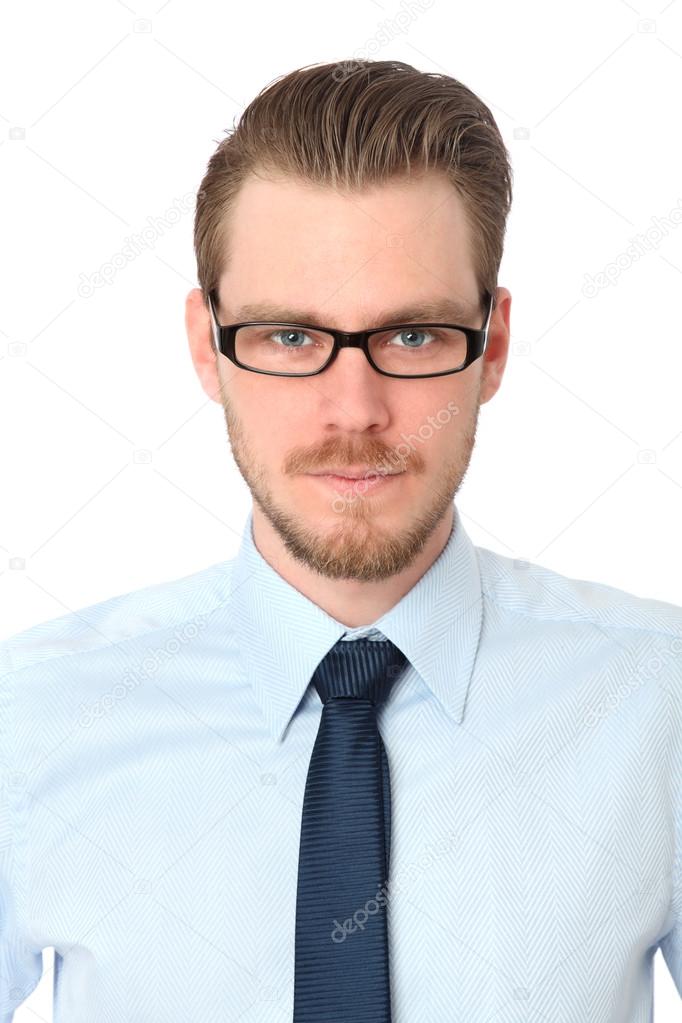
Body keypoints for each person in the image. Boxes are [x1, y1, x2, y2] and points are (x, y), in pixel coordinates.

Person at [1, 58, 680, 1021]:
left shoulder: (660, 706)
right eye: (288, 336)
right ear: (208, 345)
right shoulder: (27, 722)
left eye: (411, 336)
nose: (353, 411)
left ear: (490, 347)